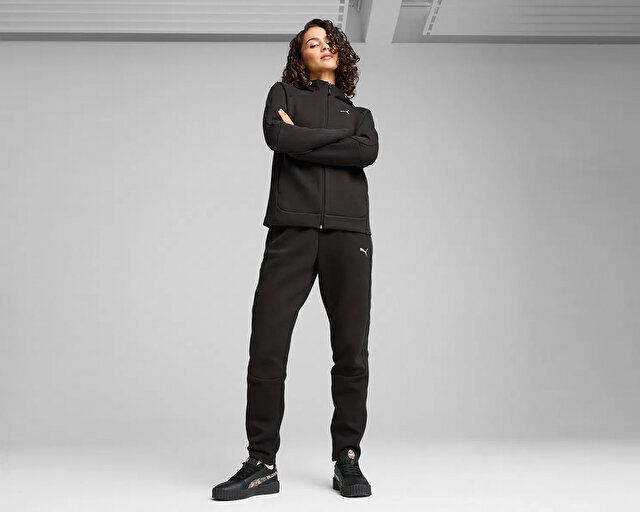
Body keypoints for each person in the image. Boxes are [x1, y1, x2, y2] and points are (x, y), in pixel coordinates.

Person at [212, 18, 379, 500]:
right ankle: (261, 463)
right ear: (300, 57)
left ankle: (348, 458)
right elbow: (278, 139)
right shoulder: (282, 94)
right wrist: (334, 143)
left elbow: (367, 152)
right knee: (267, 347)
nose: (322, 47)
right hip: (291, 232)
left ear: (340, 53)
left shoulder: (361, 114)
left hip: (349, 236)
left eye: (329, 42)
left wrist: (303, 137)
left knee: (351, 352)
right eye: (312, 43)